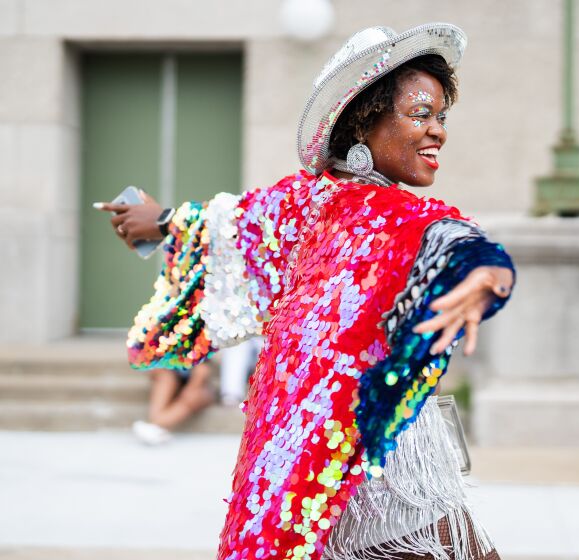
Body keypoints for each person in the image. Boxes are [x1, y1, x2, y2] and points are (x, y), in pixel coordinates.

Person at [97, 23, 514, 560]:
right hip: (318, 447)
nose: (439, 131)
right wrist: (159, 220)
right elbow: (226, 225)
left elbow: (453, 241)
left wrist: (485, 272)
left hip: (360, 450)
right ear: (364, 120)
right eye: (420, 114)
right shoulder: (302, 204)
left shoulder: (403, 213)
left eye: (441, 116)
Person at [132, 362, 215, 445]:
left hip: (197, 388)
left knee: (193, 396)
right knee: (164, 377)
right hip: (172, 380)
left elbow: (202, 371)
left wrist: (190, 388)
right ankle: (156, 426)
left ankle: (155, 425)